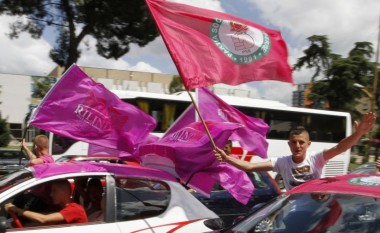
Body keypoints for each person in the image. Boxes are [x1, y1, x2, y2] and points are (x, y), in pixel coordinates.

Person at [215, 112, 376, 191]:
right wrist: (226, 158)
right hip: (292, 207)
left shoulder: (316, 158)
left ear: (308, 144)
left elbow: (340, 148)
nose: (298, 145)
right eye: (294, 142)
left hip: (314, 205)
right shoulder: (282, 162)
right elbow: (249, 167)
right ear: (289, 144)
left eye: (301, 142)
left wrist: (359, 133)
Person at [5, 179, 88, 225]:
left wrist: (15, 209)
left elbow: (43, 219)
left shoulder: (75, 209)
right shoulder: (61, 209)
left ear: (64, 192)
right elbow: (44, 216)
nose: (51, 195)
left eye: (54, 191)